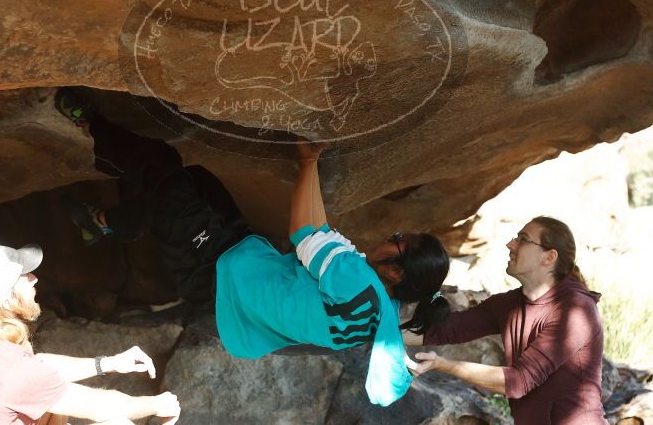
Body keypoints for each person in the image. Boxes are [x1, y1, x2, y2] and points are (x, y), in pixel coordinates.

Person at [54, 88, 452, 405]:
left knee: (164, 171)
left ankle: (92, 125)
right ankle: (103, 225)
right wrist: (310, 162)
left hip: (215, 273)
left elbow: (304, 229)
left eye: (400, 241)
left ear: (397, 271)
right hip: (239, 271)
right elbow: (321, 231)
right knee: (196, 181)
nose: (392, 235)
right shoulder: (374, 315)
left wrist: (308, 162)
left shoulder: (356, 282)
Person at [0, 243, 181, 425]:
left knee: (50, 408)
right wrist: (156, 404)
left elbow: (38, 366)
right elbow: (98, 406)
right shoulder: (15, 372)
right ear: (8, 298)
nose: (35, 278)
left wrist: (109, 363)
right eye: (24, 276)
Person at [408, 216, 607, 424]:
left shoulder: (575, 310)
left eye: (523, 239)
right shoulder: (508, 304)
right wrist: (377, 331)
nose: (510, 244)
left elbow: (519, 381)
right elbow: (446, 329)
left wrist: (444, 365)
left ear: (549, 257)